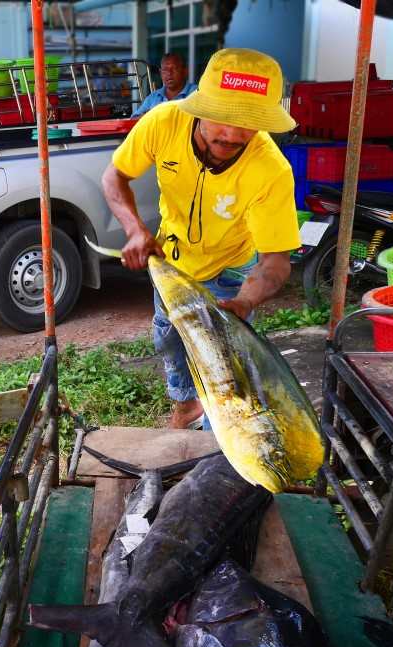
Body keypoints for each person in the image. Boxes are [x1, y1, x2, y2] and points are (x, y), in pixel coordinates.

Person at [103, 48, 300, 429]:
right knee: (169, 339)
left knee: (221, 363)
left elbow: (275, 260)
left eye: (248, 121)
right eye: (221, 116)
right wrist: (134, 229)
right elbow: (115, 176)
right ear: (199, 106)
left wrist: (245, 300)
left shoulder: (271, 169)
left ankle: (214, 438)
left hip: (231, 271)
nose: (231, 133)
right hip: (172, 262)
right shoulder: (162, 122)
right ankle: (184, 405)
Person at [132, 53, 197, 117]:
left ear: (185, 71)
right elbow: (134, 119)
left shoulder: (196, 93)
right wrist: (147, 116)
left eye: (174, 68)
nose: (169, 73)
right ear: (160, 73)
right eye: (165, 70)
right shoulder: (153, 97)